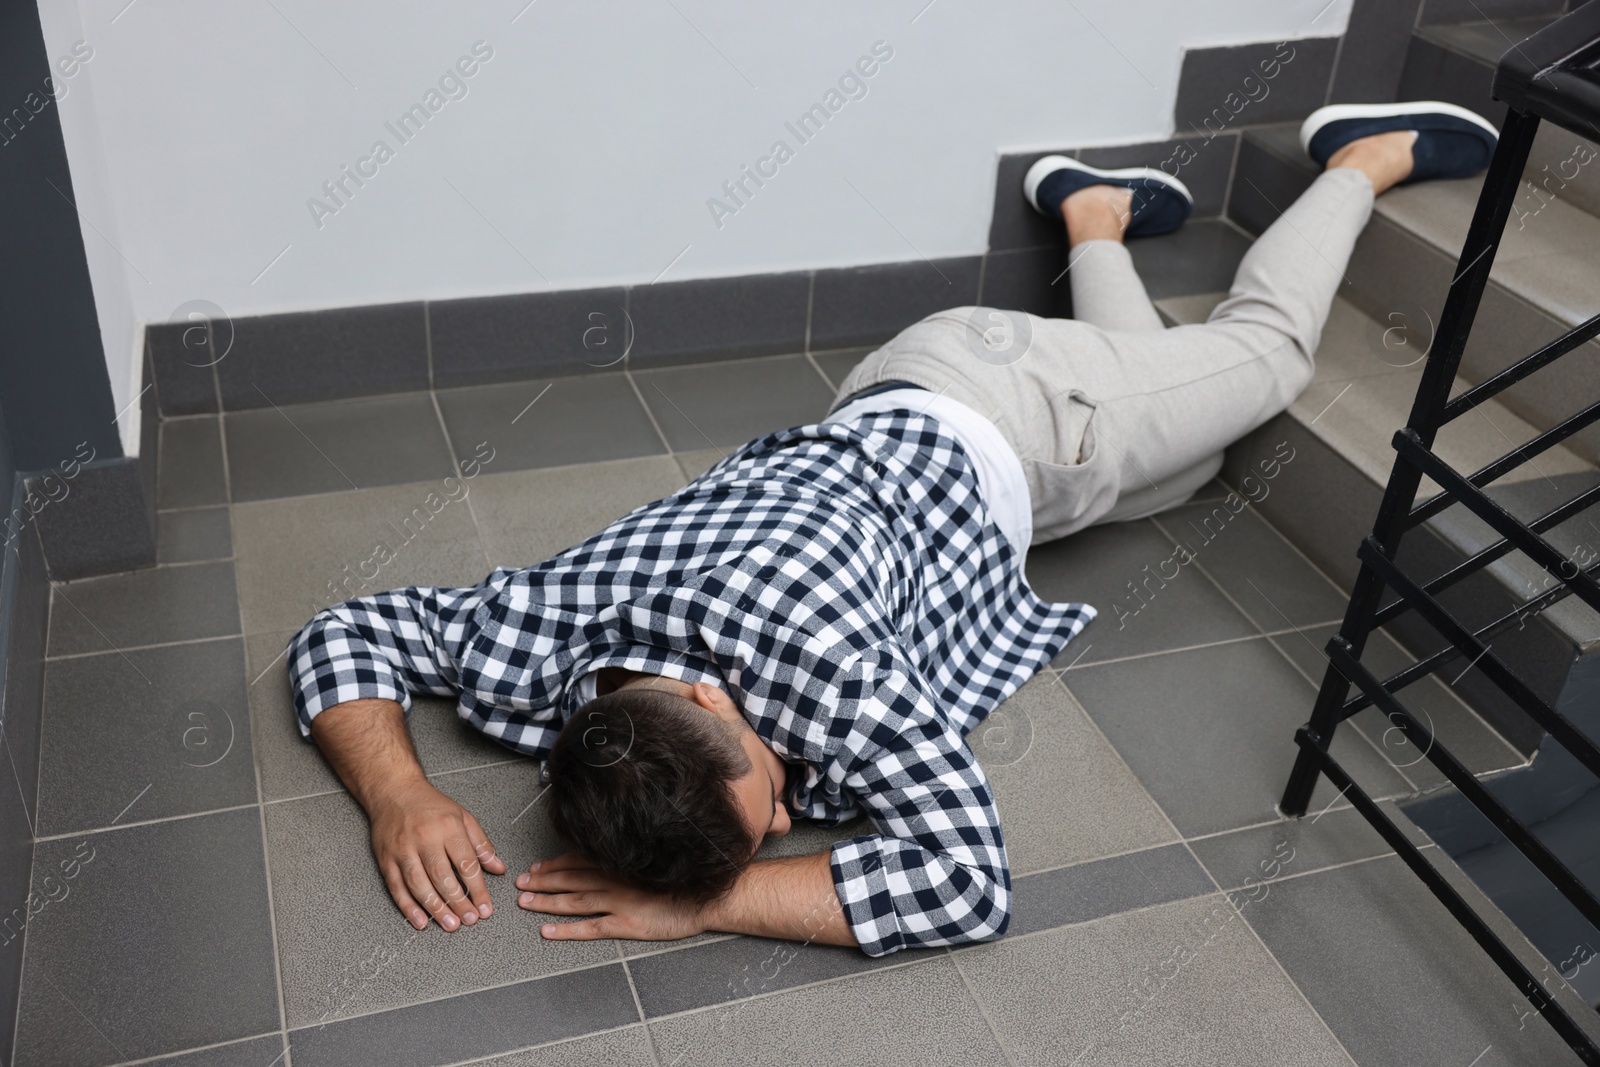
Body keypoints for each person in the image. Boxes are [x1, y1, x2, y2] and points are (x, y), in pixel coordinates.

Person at [288, 101, 1500, 957]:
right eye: (767, 825)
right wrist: (396, 792)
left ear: (713, 700)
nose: (780, 821)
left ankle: (1360, 155)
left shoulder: (827, 675)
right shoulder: (543, 640)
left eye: (762, 799)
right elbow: (349, 629)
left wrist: (715, 903)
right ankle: (1090, 217)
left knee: (1260, 361)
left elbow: (969, 881)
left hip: (1027, 416)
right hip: (908, 395)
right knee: (1196, 463)